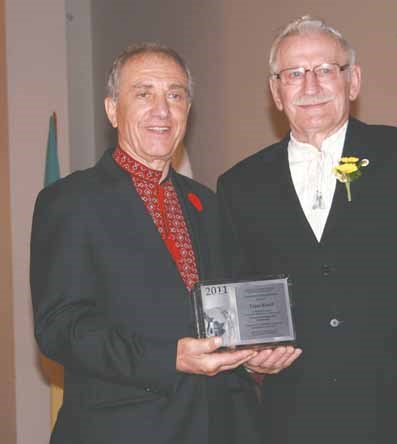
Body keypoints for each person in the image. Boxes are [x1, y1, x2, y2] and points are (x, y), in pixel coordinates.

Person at [217, 16, 397, 444]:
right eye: (294, 74)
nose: (310, 86)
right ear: (276, 92)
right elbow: (238, 296)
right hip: (294, 420)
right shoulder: (240, 185)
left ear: (353, 82)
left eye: (326, 70)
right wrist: (250, 358)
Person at [30, 42, 283, 444]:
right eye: (143, 93)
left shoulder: (209, 204)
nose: (162, 110)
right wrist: (169, 358)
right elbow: (61, 328)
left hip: (223, 425)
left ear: (187, 111)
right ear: (113, 109)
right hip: (124, 429)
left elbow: (228, 310)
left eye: (175, 95)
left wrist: (258, 353)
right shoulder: (71, 201)